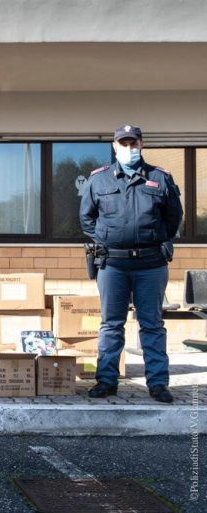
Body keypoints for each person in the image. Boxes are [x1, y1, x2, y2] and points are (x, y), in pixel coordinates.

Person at [80, 125, 183, 403]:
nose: (129, 148)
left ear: (141, 144)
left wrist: (153, 238)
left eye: (133, 143)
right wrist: (109, 238)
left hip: (151, 264)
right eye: (123, 143)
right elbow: (86, 219)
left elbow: (174, 218)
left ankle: (158, 384)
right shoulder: (98, 180)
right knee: (111, 324)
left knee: (152, 324)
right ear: (115, 147)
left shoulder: (160, 178)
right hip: (112, 264)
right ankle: (106, 381)